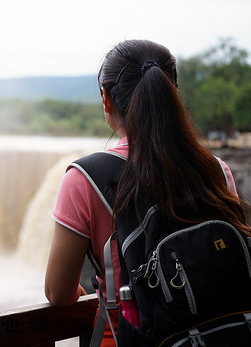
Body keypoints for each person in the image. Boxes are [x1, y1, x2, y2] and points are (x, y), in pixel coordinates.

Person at [44, 39, 251, 346]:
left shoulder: (86, 178)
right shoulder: (215, 169)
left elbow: (58, 292)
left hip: (128, 336)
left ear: (106, 100)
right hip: (225, 335)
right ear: (173, 94)